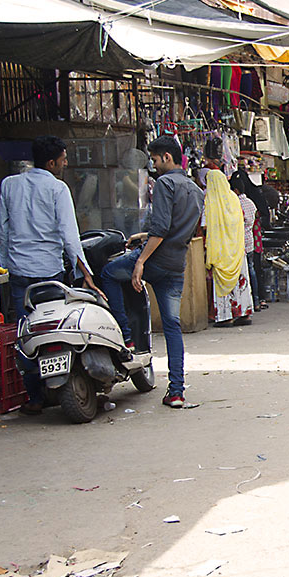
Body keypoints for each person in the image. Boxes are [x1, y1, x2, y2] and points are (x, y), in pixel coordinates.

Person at [0, 136, 104, 415]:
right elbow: (70, 236)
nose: (66, 163)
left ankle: (34, 397)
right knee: (58, 328)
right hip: (50, 273)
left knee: (26, 333)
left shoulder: (9, 185)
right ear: (52, 162)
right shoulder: (58, 189)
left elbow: (3, 232)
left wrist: (6, 266)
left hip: (19, 272)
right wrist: (85, 273)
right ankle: (62, 385)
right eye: (64, 158)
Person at [100, 135, 203, 408]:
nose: (154, 165)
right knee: (172, 326)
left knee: (109, 273)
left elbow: (160, 228)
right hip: (176, 264)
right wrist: (145, 236)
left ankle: (127, 337)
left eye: (155, 160)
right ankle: (177, 391)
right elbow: (177, 229)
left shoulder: (165, 183)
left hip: (157, 260)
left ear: (167, 157)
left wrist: (141, 261)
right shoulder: (196, 190)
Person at [202, 139, 254, 327]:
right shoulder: (233, 198)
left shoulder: (211, 202)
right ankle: (244, 314)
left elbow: (205, 225)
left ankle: (226, 316)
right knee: (241, 282)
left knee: (223, 284)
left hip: (222, 252)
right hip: (237, 250)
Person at [232, 173, 261, 313]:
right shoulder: (251, 203)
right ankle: (255, 301)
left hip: (239, 243)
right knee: (252, 272)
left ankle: (244, 303)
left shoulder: (235, 203)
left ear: (235, 191)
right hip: (250, 241)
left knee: (243, 275)